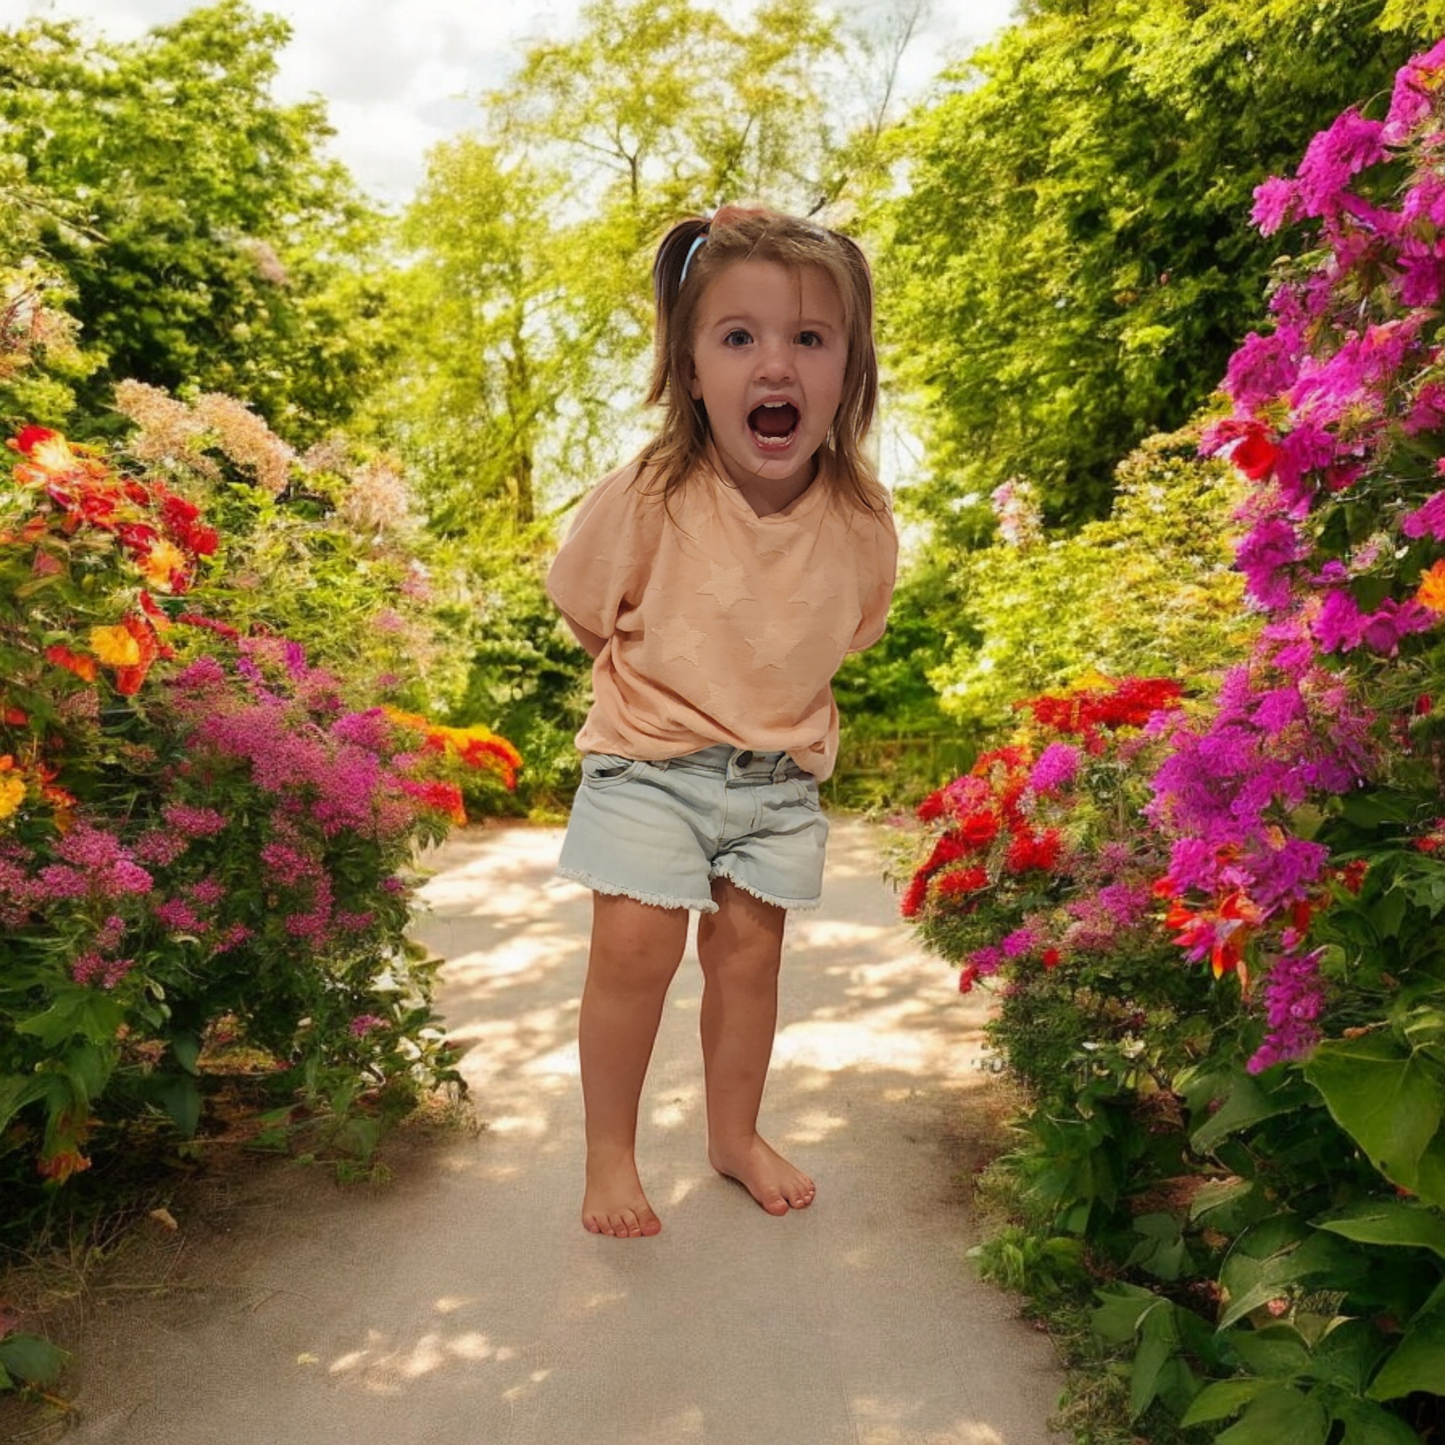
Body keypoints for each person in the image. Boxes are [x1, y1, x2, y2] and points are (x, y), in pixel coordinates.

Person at [547, 204, 898, 1239]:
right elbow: (581, 603)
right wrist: (670, 689)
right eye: (737, 337)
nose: (773, 365)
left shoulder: (860, 517)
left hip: (775, 778)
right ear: (692, 369)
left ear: (847, 369)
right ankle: (608, 1152)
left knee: (749, 960)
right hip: (649, 760)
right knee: (633, 946)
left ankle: (732, 1134)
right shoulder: (653, 491)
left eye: (807, 338)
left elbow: (852, 629)